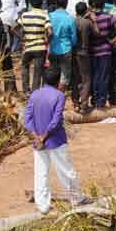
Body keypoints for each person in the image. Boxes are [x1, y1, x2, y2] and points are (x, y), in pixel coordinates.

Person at [24, 68, 90, 215]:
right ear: (58, 81)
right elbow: (55, 120)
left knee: (41, 172)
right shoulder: (59, 96)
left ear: (43, 79)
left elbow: (27, 118)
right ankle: (77, 199)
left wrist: (37, 136)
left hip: (38, 141)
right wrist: (45, 136)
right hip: (55, 140)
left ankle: (43, 205)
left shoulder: (35, 94)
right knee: (66, 171)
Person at [89, 0, 116, 109]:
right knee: (104, 77)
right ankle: (101, 101)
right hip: (106, 51)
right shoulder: (109, 17)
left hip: (92, 51)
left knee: (95, 76)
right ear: (103, 4)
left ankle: (94, 99)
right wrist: (112, 42)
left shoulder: (88, 17)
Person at [17, 0, 52, 93]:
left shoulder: (24, 15)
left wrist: (22, 38)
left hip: (27, 47)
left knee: (24, 67)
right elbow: (50, 32)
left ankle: (25, 90)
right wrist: (47, 41)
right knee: (38, 71)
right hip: (40, 48)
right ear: (41, 3)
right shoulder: (44, 15)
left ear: (30, 4)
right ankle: (34, 92)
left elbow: (15, 29)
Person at [48, 0, 77, 89]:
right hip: (66, 49)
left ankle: (52, 93)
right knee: (64, 74)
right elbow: (74, 38)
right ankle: (60, 94)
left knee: (53, 72)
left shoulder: (49, 16)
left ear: (56, 3)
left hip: (52, 48)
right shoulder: (70, 18)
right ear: (67, 4)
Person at [72, 2, 95, 112]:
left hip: (73, 52)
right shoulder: (87, 22)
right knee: (86, 79)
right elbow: (98, 33)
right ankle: (84, 105)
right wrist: (93, 20)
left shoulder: (72, 21)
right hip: (84, 52)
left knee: (76, 78)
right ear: (86, 11)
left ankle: (76, 103)